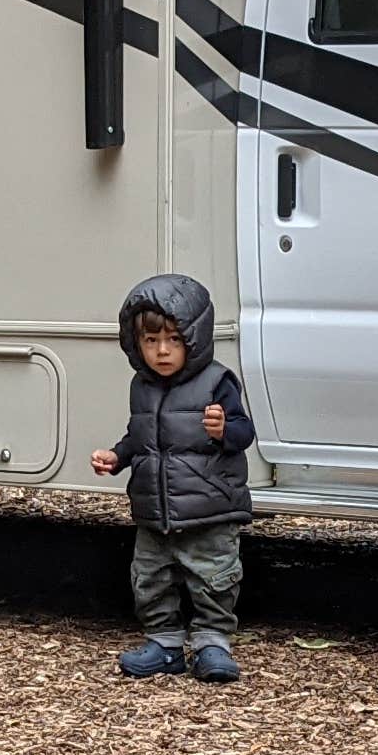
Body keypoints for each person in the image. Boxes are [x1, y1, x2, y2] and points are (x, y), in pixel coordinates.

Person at [89, 273, 256, 683]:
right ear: (135, 343)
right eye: (151, 341)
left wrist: (222, 431)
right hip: (155, 508)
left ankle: (213, 643)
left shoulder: (217, 381)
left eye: (174, 340)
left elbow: (244, 433)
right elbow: (140, 435)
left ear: (194, 339)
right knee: (150, 578)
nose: (162, 351)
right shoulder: (141, 387)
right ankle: (164, 644)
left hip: (209, 509)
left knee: (212, 578)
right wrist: (118, 456)